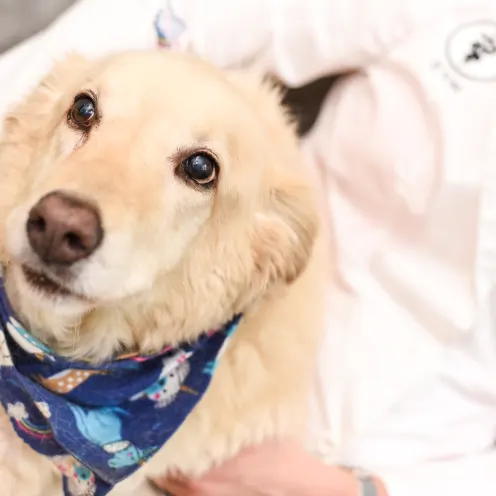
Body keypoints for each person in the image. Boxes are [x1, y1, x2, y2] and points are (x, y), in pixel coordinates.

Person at [1, 0, 496, 494]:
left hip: (387, 458)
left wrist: (354, 488)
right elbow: (195, 13)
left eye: (197, 168)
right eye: (85, 115)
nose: (63, 228)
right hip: (257, 300)